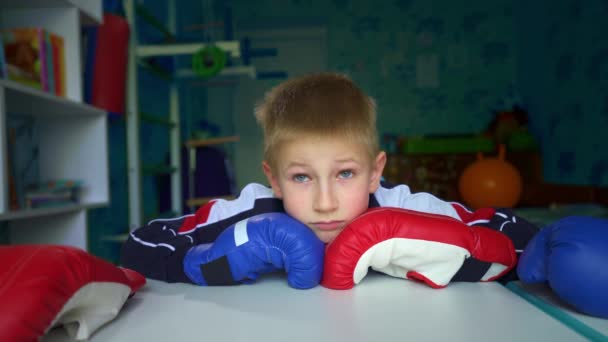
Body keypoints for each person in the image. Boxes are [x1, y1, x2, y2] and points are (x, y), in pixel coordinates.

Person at [120, 72, 538, 284]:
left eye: (345, 174)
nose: (325, 202)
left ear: (376, 172)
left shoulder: (403, 207)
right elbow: (140, 246)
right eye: (301, 177)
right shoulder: (254, 209)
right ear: (275, 179)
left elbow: (513, 234)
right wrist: (204, 265)